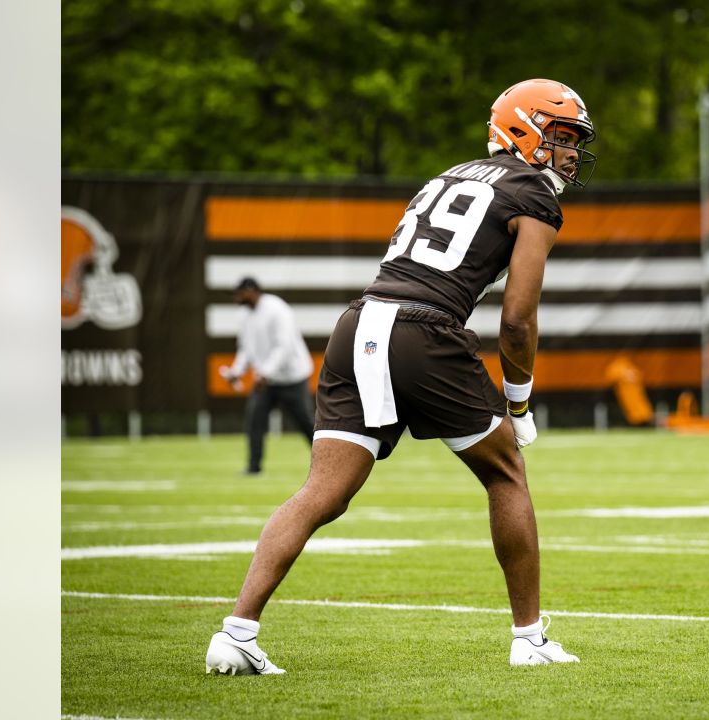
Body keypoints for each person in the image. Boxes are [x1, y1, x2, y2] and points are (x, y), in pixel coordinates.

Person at [205, 78, 595, 674]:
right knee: (507, 472)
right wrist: (519, 404)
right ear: (523, 129)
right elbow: (517, 319)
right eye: (561, 136)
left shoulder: (448, 176)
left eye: (575, 140)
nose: (570, 152)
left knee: (322, 492)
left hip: (358, 323)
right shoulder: (534, 197)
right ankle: (529, 639)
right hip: (425, 331)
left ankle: (236, 632)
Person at [220, 277, 315, 475]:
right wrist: (236, 372)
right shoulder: (244, 315)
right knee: (254, 420)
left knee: (306, 423)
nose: (237, 297)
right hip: (265, 381)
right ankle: (254, 467)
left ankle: (327, 463)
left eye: (240, 293)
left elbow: (284, 346)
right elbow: (246, 349)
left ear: (252, 290)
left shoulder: (277, 309)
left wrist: (265, 372)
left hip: (292, 378)